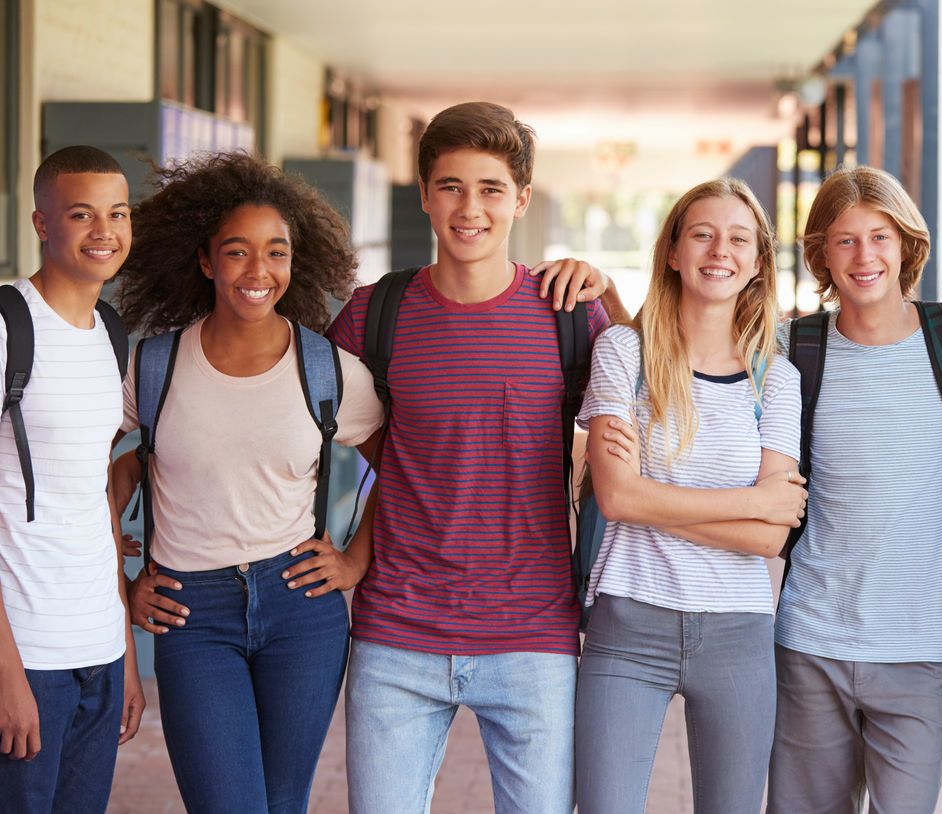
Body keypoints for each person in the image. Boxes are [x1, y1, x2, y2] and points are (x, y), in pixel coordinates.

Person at [326, 102, 619, 814]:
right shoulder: (373, 314)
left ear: (521, 198)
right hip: (397, 634)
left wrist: (612, 290)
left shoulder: (570, 313)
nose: (469, 208)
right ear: (424, 193)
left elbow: (654, 396)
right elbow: (294, 418)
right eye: (450, 186)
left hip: (534, 636)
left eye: (490, 188)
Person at [111, 152, 385, 814]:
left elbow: (402, 465)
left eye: (275, 252)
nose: (258, 272)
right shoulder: (155, 367)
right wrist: (120, 586)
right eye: (237, 252)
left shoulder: (328, 371)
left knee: (281, 804)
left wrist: (355, 558)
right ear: (206, 261)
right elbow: (92, 475)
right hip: (190, 611)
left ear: (295, 262)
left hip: (301, 609)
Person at [576, 178, 805, 814]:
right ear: (673, 251)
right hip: (628, 623)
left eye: (737, 239)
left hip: (739, 633)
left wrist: (654, 495)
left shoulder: (774, 379)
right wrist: (749, 500)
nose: (718, 251)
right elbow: (617, 499)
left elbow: (770, 537)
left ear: (757, 263)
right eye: (702, 234)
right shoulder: (624, 352)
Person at [767, 166, 942, 814]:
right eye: (845, 240)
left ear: (906, 243)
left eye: (879, 236)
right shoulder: (795, 345)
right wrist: (598, 288)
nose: (864, 256)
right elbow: (685, 342)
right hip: (811, 642)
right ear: (822, 252)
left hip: (922, 650)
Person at [0, 146, 144, 813]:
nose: (104, 231)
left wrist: (126, 653)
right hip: (24, 651)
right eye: (82, 214)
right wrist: (6, 673)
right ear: (41, 222)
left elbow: (97, 503)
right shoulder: (8, 329)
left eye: (117, 213)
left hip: (98, 649)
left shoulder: (111, 336)